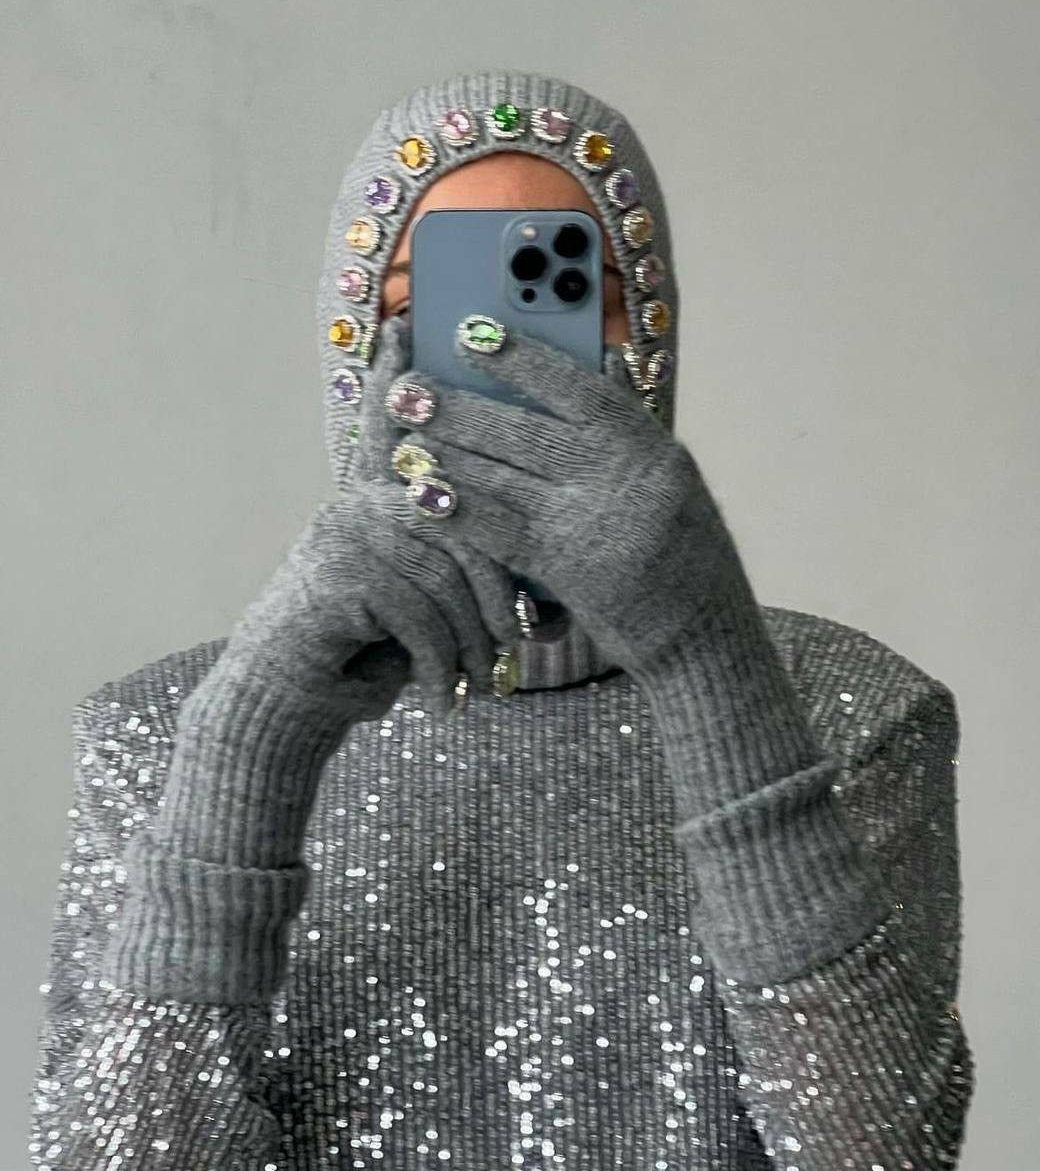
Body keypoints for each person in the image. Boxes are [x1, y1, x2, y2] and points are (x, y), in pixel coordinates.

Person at [27, 70, 975, 1169]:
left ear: (647, 342)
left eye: (558, 296)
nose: (492, 350)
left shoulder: (850, 710)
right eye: (421, 306)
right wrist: (246, 741)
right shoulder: (161, 734)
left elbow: (881, 1154)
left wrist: (705, 660)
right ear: (353, 355)